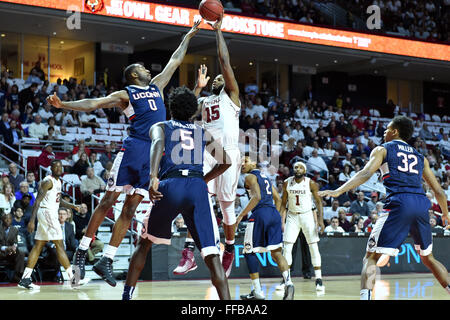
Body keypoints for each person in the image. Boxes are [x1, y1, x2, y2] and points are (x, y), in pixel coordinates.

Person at [47, 22, 201, 288]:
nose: (145, 68)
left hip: (152, 154)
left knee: (129, 209)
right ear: (133, 75)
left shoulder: (156, 86)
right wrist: (65, 105)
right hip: (133, 149)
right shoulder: (126, 93)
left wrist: (188, 35)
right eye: (140, 67)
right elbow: (93, 103)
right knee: (108, 200)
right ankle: (82, 250)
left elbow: (175, 61)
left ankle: (107, 258)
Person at [319, 115, 450, 300]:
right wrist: (445, 214)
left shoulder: (383, 149)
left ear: (395, 131)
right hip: (421, 204)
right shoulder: (420, 157)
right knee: (428, 258)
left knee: (370, 257)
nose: (384, 132)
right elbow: (439, 191)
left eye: (387, 129)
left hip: (399, 203)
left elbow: (365, 173)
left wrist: (338, 191)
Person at [122, 86, 232, 300]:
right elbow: (226, 161)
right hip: (196, 187)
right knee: (212, 255)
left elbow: (156, 144)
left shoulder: (161, 126)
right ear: (193, 112)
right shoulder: (201, 131)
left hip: (170, 184)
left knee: (143, 244)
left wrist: (153, 176)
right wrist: (203, 180)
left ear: (170, 108)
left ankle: (126, 296)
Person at [174, 17, 242, 278]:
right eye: (211, 79)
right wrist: (196, 88)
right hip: (206, 151)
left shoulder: (232, 96)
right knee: (195, 198)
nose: (215, 78)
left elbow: (224, 63)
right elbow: (184, 111)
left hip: (229, 153)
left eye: (218, 78)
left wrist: (218, 31)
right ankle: (189, 252)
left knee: (227, 208)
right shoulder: (205, 101)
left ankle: (229, 249)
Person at [18, 160, 84, 290]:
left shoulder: (58, 182)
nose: (59, 168)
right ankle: (74, 279)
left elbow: (59, 202)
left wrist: (73, 206)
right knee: (59, 243)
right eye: (56, 166)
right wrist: (31, 220)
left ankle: (25, 278)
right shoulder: (48, 181)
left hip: (49, 212)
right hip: (46, 213)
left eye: (60, 166)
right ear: (51, 168)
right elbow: (37, 200)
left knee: (38, 245)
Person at [236, 156, 294, 300]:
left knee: (249, 252)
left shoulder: (249, 177)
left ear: (254, 164)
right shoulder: (266, 177)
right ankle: (289, 283)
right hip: (273, 214)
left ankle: (258, 292)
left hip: (260, 214)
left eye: (245, 161)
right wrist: (278, 217)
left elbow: (256, 197)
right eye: (241, 162)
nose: (242, 164)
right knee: (276, 253)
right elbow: (279, 199)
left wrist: (239, 217)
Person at [277, 161, 325, 293]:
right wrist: (280, 218)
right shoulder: (287, 182)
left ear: (305, 171)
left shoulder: (310, 183)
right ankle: (286, 279)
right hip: (292, 216)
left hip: (307, 215)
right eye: (295, 167)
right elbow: (283, 202)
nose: (297, 169)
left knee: (313, 246)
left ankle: (319, 280)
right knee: (287, 247)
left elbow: (318, 202)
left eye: (300, 168)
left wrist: (320, 220)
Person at [0, 212, 25, 283]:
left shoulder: (14, 229)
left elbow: (15, 242)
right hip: (1, 252)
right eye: (6, 218)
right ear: (2, 219)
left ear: (12, 220)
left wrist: (14, 248)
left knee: (20, 253)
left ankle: (17, 275)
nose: (8, 220)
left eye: (9, 218)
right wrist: (5, 248)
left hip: (10, 253)